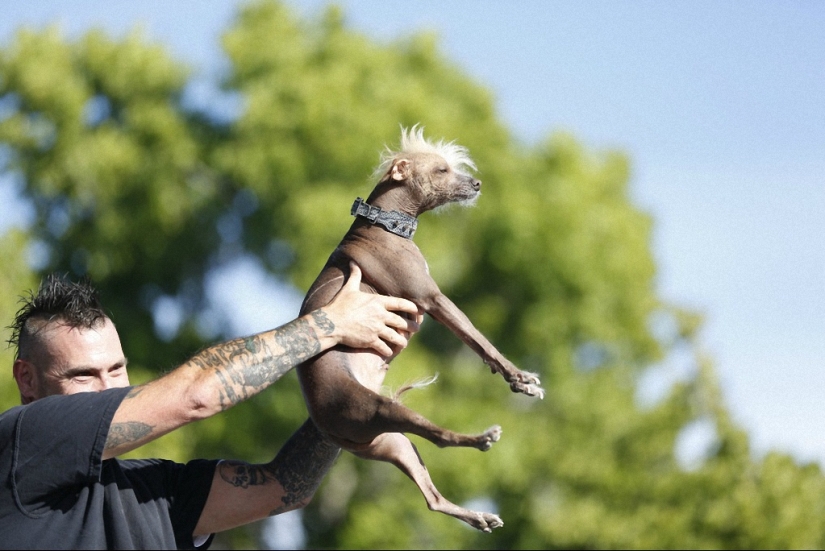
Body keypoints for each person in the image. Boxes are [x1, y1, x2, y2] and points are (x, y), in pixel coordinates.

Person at [0, 265, 420, 549]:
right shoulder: (20, 441)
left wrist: (351, 392)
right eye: (82, 375)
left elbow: (285, 487)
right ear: (28, 380)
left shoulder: (153, 489)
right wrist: (330, 324)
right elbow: (196, 395)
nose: (108, 387)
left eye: (117, 369)